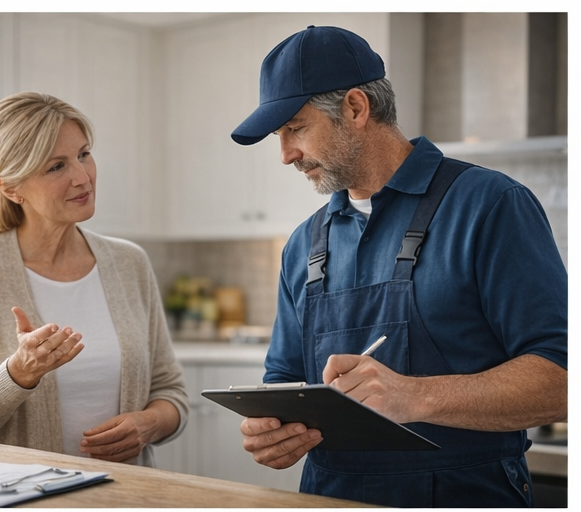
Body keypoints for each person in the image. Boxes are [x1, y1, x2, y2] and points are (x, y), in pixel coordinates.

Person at [230, 26, 567, 507]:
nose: (286, 155)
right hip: (329, 497)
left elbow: (562, 379)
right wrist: (271, 431)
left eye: (295, 129)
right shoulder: (303, 244)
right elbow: (284, 380)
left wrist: (415, 397)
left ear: (355, 108)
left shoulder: (491, 205)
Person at [0, 92, 188, 467]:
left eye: (83, 154)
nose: (83, 177)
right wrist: (19, 372)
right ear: (10, 188)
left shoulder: (129, 263)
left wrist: (148, 424)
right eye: (56, 167)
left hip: (126, 497)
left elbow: (171, 392)